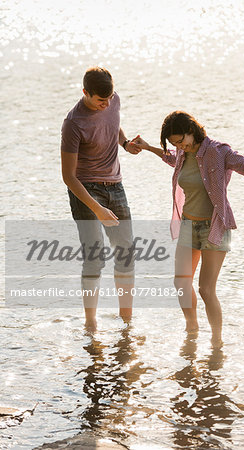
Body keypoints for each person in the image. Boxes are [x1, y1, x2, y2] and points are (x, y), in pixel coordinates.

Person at [134, 111, 244, 348]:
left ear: (192, 131)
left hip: (214, 227)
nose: (180, 146)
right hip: (188, 225)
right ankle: (192, 329)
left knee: (206, 289)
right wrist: (148, 147)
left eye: (181, 141)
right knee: (180, 283)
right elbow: (171, 157)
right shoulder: (182, 154)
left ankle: (217, 341)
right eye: (175, 143)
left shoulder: (218, 152)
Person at [61, 66, 141, 333]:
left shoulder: (113, 100)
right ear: (85, 92)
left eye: (108, 99)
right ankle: (91, 323)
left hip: (115, 186)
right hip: (85, 190)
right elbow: (69, 178)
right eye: (99, 100)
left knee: (126, 254)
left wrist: (126, 143)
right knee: (94, 258)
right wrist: (98, 209)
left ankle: (126, 321)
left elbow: (114, 124)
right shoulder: (73, 123)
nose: (106, 104)